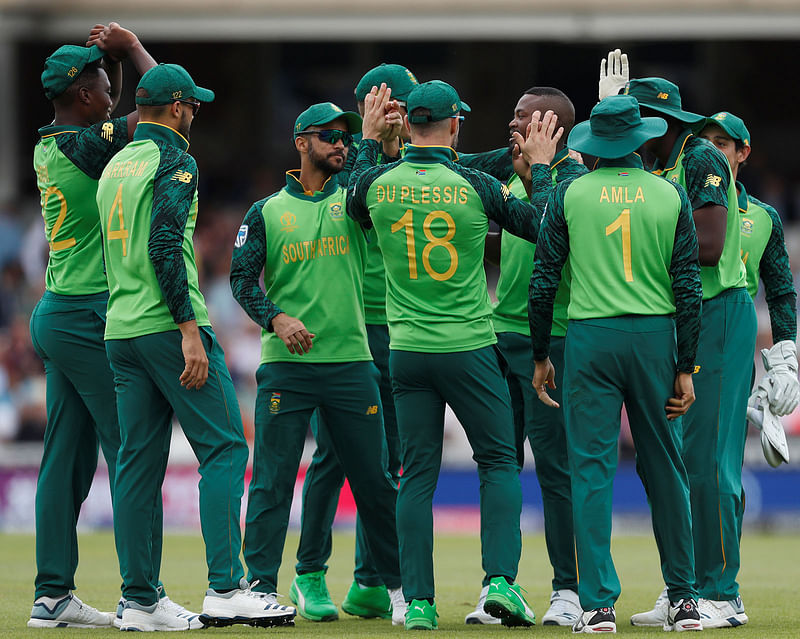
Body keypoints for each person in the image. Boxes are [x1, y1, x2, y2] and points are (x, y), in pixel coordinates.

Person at [95, 63, 295, 631]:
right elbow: (163, 242)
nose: (196, 113)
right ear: (179, 108)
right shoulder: (176, 159)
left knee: (136, 464)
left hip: (121, 329)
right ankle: (226, 587)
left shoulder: (116, 163)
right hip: (167, 323)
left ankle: (138, 601)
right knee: (226, 450)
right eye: (193, 105)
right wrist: (187, 327)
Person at [348, 80, 550, 630]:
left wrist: (370, 140)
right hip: (467, 344)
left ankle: (416, 602)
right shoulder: (476, 183)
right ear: (455, 125)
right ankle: (501, 583)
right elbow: (542, 228)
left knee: (416, 475)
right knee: (500, 460)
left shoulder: (378, 183)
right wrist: (540, 172)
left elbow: (351, 198)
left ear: (406, 124)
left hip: (407, 350)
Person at [530, 95, 703, 634]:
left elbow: (543, 282)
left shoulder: (569, 193)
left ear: (594, 147)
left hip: (590, 337)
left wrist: (540, 356)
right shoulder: (669, 193)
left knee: (590, 469)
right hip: (654, 337)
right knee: (666, 468)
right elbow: (689, 287)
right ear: (640, 141)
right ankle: (684, 599)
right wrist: (686, 365)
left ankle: (598, 604)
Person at [229, 100, 406, 626]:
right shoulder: (265, 212)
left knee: (375, 482)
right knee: (272, 480)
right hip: (286, 366)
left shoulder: (353, 203)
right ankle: (260, 587)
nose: (340, 143)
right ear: (301, 142)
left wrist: (376, 140)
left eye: (346, 138)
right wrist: (276, 318)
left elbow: (369, 181)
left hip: (351, 364)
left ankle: (398, 590)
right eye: (329, 135)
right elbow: (241, 281)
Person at [27, 24, 168, 629]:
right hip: (87, 314)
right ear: (85, 96)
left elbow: (141, 111)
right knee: (132, 451)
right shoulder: (88, 146)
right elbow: (163, 108)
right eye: (107, 87)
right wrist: (134, 49)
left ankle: (53, 596)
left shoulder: (50, 144)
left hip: (61, 312)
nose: (114, 95)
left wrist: (117, 60)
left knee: (66, 457)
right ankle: (143, 597)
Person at [623, 76, 757, 630]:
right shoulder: (655, 169)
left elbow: (709, 245)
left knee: (708, 462)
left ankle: (722, 590)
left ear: (659, 125)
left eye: (634, 123)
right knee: (671, 463)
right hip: (678, 320)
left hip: (718, 315)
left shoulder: (700, 156)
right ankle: (684, 585)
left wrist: (628, 247)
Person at [290, 63, 416, 624]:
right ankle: (310, 573)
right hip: (351, 329)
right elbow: (354, 198)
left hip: (405, 328)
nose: (399, 116)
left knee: (385, 462)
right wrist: (368, 142)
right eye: (390, 105)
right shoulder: (343, 165)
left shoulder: (420, 161)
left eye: (406, 107)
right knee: (335, 458)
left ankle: (370, 581)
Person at [467, 86, 587, 627]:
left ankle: (568, 590)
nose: (509, 121)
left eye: (521, 115)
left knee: (556, 471)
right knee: (500, 465)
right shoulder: (511, 173)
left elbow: (547, 234)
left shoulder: (575, 182)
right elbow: (454, 163)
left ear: (550, 124)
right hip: (498, 335)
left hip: (554, 340)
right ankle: (501, 586)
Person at [698, 113, 799, 444]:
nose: (711, 150)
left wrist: (786, 357)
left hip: (730, 348)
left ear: (743, 153)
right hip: (673, 343)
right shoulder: (676, 200)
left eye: (722, 144)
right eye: (704, 142)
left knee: (721, 464)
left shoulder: (764, 217)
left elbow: (781, 292)